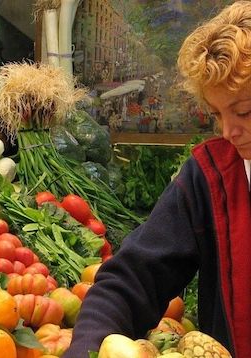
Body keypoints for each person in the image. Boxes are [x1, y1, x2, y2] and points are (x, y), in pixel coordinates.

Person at [63, 2, 251, 357]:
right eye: (217, 114)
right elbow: (131, 280)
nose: (229, 131)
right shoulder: (212, 176)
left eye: (244, 111)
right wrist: (88, 347)